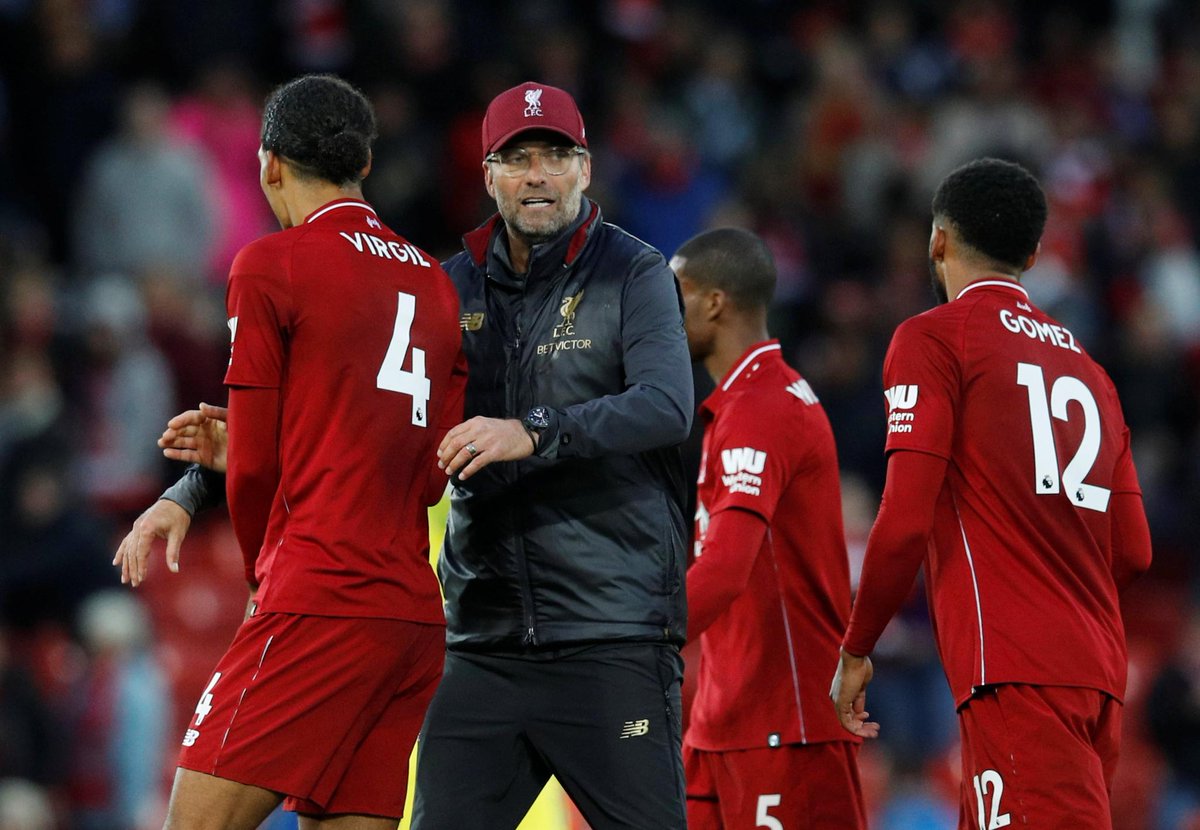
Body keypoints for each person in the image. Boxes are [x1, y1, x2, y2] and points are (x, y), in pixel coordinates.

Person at [124, 81, 694, 829]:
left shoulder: (634, 271)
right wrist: (197, 483)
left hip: (599, 632)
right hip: (465, 632)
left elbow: (668, 406)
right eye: (517, 159)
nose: (537, 176)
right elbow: (400, 451)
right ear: (485, 174)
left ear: (585, 168)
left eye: (555, 157)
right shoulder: (437, 284)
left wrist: (535, 428)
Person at [113, 74, 466, 830]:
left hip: (315, 597)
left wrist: (259, 579)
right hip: (408, 619)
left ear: (269, 164)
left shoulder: (272, 265)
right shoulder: (438, 288)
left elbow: (257, 467)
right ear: (363, 166)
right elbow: (434, 473)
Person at [831, 158, 1153, 829]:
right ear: (1032, 255)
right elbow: (1136, 552)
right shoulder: (1091, 372)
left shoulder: (934, 339)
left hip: (1015, 670)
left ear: (938, 241)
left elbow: (903, 519)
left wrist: (857, 648)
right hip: (1097, 675)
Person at [671, 227, 866, 829]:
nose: (661, 315)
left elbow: (725, 570)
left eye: (674, 297)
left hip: (786, 723)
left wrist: (626, 638)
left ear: (713, 302)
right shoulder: (743, 403)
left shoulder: (764, 407)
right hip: (724, 722)